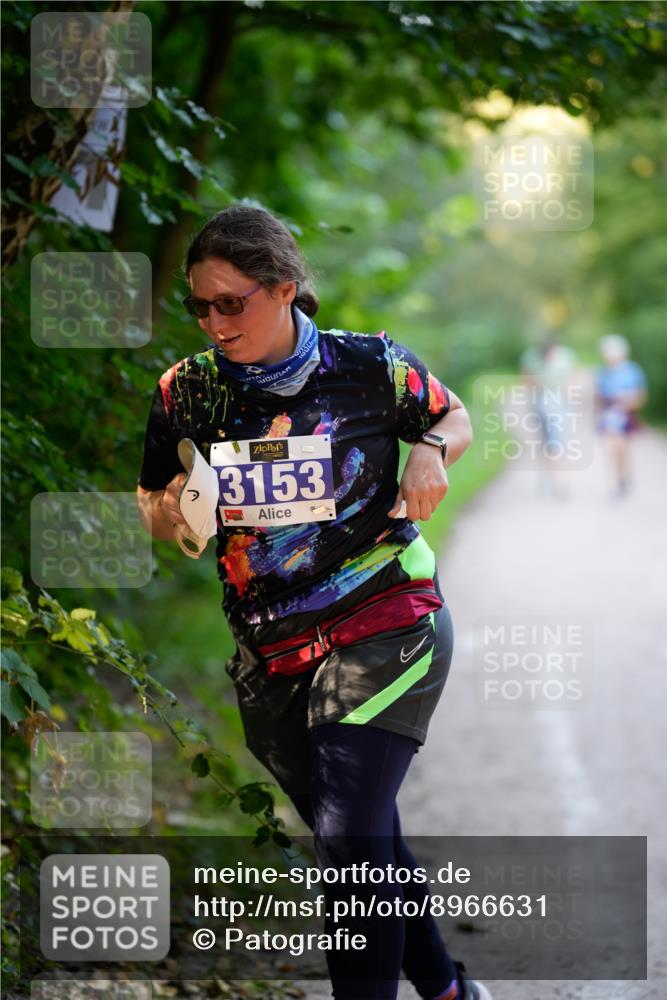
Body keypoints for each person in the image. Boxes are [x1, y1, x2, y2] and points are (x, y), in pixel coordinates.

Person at [136, 205, 490, 1000]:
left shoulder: (368, 366)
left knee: (349, 837)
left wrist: (431, 453)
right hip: (272, 649)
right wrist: (176, 513)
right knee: (362, 841)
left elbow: (452, 415)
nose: (214, 321)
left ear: (285, 288)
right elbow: (151, 501)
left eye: (233, 302)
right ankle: (447, 990)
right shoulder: (186, 392)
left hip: (385, 614)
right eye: (200, 305)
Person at [520, 335, 577, 499]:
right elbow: (527, 380)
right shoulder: (532, 357)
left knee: (553, 443)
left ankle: (556, 479)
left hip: (554, 403)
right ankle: (554, 479)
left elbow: (571, 378)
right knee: (550, 443)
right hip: (544, 404)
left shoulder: (563, 356)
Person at [594, 334, 647, 497]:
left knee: (623, 449)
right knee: (613, 448)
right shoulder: (603, 372)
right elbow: (598, 397)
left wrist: (629, 403)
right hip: (610, 415)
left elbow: (641, 396)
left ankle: (623, 476)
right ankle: (617, 482)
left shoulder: (633, 370)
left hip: (626, 414)